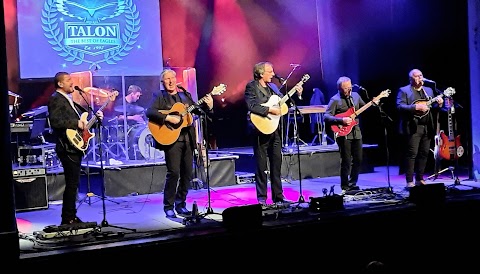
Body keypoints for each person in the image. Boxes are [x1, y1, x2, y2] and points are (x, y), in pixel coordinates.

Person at [146, 69, 213, 218]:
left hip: (188, 139)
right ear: (162, 83)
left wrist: (209, 106)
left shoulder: (185, 96)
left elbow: (198, 111)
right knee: (174, 173)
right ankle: (168, 206)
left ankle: (180, 204)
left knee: (187, 174)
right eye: (167, 79)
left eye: (172, 78)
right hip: (171, 140)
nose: (170, 81)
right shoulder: (159, 96)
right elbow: (149, 112)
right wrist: (168, 118)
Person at [47, 72, 104, 225]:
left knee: (74, 183)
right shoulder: (56, 99)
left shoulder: (69, 100)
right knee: (72, 183)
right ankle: (68, 218)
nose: (72, 82)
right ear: (60, 84)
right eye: (68, 80)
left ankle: (70, 216)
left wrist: (95, 120)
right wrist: (76, 123)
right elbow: (56, 121)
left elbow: (82, 126)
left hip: (73, 146)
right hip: (67, 147)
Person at [244, 61, 302, 206]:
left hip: (274, 130)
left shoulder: (274, 87)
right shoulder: (252, 86)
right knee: (261, 166)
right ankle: (262, 198)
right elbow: (251, 106)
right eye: (270, 71)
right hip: (259, 129)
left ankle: (278, 196)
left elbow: (283, 103)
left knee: (276, 164)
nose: (273, 74)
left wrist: (297, 93)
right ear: (261, 73)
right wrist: (270, 110)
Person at [324, 76, 378, 192]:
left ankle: (353, 182)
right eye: (346, 88)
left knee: (358, 159)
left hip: (356, 131)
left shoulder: (356, 96)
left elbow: (364, 108)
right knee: (346, 160)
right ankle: (344, 185)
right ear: (339, 88)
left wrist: (373, 104)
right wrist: (341, 120)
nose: (349, 90)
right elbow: (326, 116)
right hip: (343, 133)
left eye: (350, 87)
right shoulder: (335, 100)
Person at [396, 68, 443, 188]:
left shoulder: (428, 90)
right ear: (411, 79)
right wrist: (415, 107)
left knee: (424, 153)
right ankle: (409, 181)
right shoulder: (404, 90)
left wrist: (439, 103)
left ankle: (420, 178)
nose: (420, 78)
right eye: (417, 76)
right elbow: (400, 106)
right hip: (413, 127)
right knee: (412, 154)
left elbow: (432, 108)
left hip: (427, 126)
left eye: (421, 75)